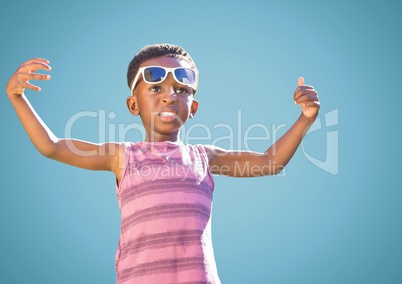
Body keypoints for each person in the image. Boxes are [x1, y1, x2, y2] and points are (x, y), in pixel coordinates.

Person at [6, 43, 320, 284]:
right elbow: (53, 147)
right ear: (133, 105)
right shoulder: (123, 157)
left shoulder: (204, 157)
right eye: (155, 88)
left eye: (181, 91)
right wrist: (18, 97)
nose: (169, 97)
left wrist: (305, 120)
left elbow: (270, 162)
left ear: (192, 107)